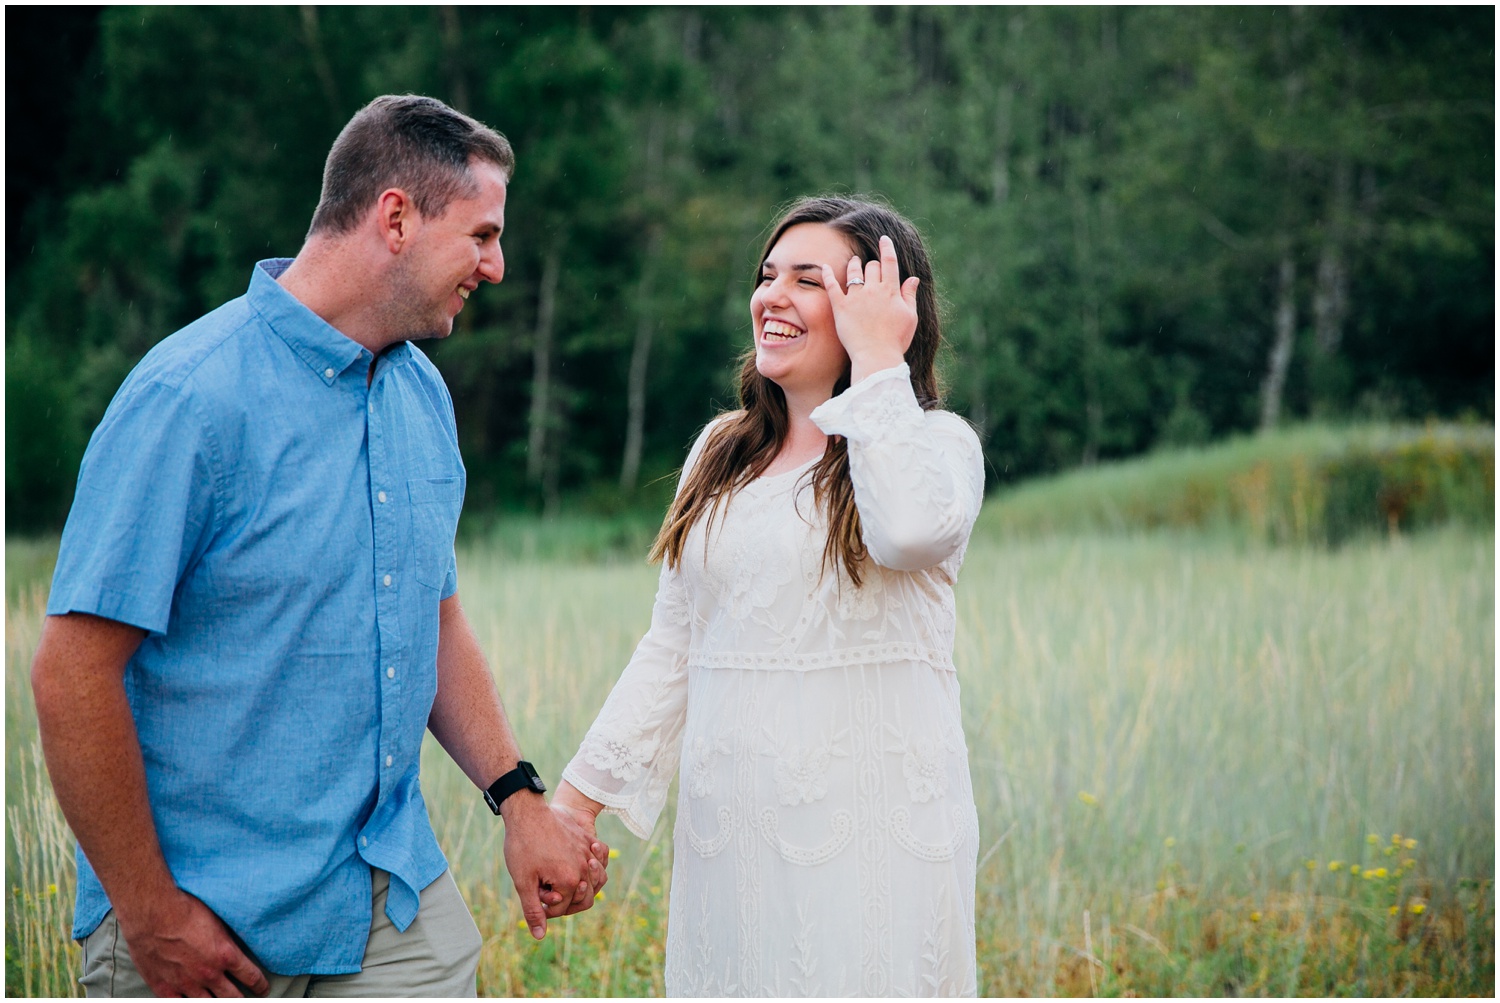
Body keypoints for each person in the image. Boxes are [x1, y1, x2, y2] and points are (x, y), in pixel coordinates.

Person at [30, 94, 608, 998]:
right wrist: (147, 912)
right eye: (483, 235)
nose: (496, 267)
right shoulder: (189, 398)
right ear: (395, 218)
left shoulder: (424, 398)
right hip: (207, 925)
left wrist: (518, 795)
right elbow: (70, 673)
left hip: (390, 906)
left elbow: (433, 618)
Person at [553, 196, 985, 997]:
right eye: (766, 275)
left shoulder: (935, 446)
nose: (771, 296)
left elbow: (910, 533)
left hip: (874, 848)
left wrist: (881, 366)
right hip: (735, 847)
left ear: (882, 309)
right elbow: (673, 645)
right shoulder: (720, 454)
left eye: (808, 280)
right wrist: (576, 806)